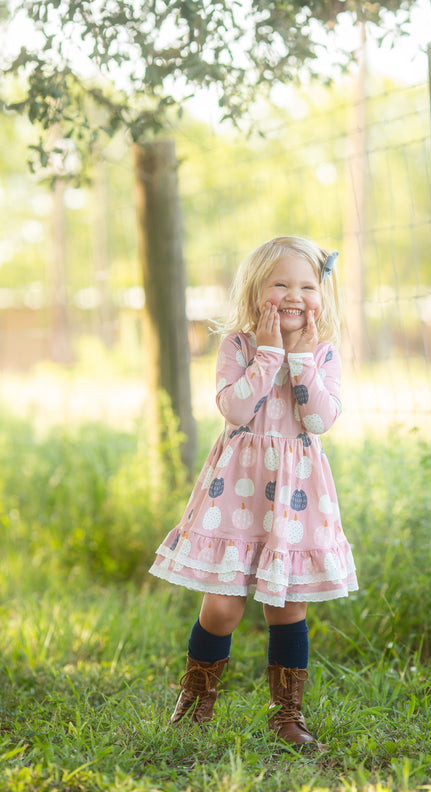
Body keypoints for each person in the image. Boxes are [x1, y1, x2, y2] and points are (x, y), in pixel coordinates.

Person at [149, 235, 358, 747]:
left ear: (322, 295)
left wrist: (302, 360)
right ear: (254, 292)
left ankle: (287, 716)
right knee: (223, 607)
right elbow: (236, 410)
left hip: (295, 499)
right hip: (236, 497)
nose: (294, 294)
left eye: (307, 285)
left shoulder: (324, 354)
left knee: (286, 607)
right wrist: (268, 355)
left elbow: (319, 418)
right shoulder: (238, 347)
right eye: (280, 283)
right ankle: (196, 702)